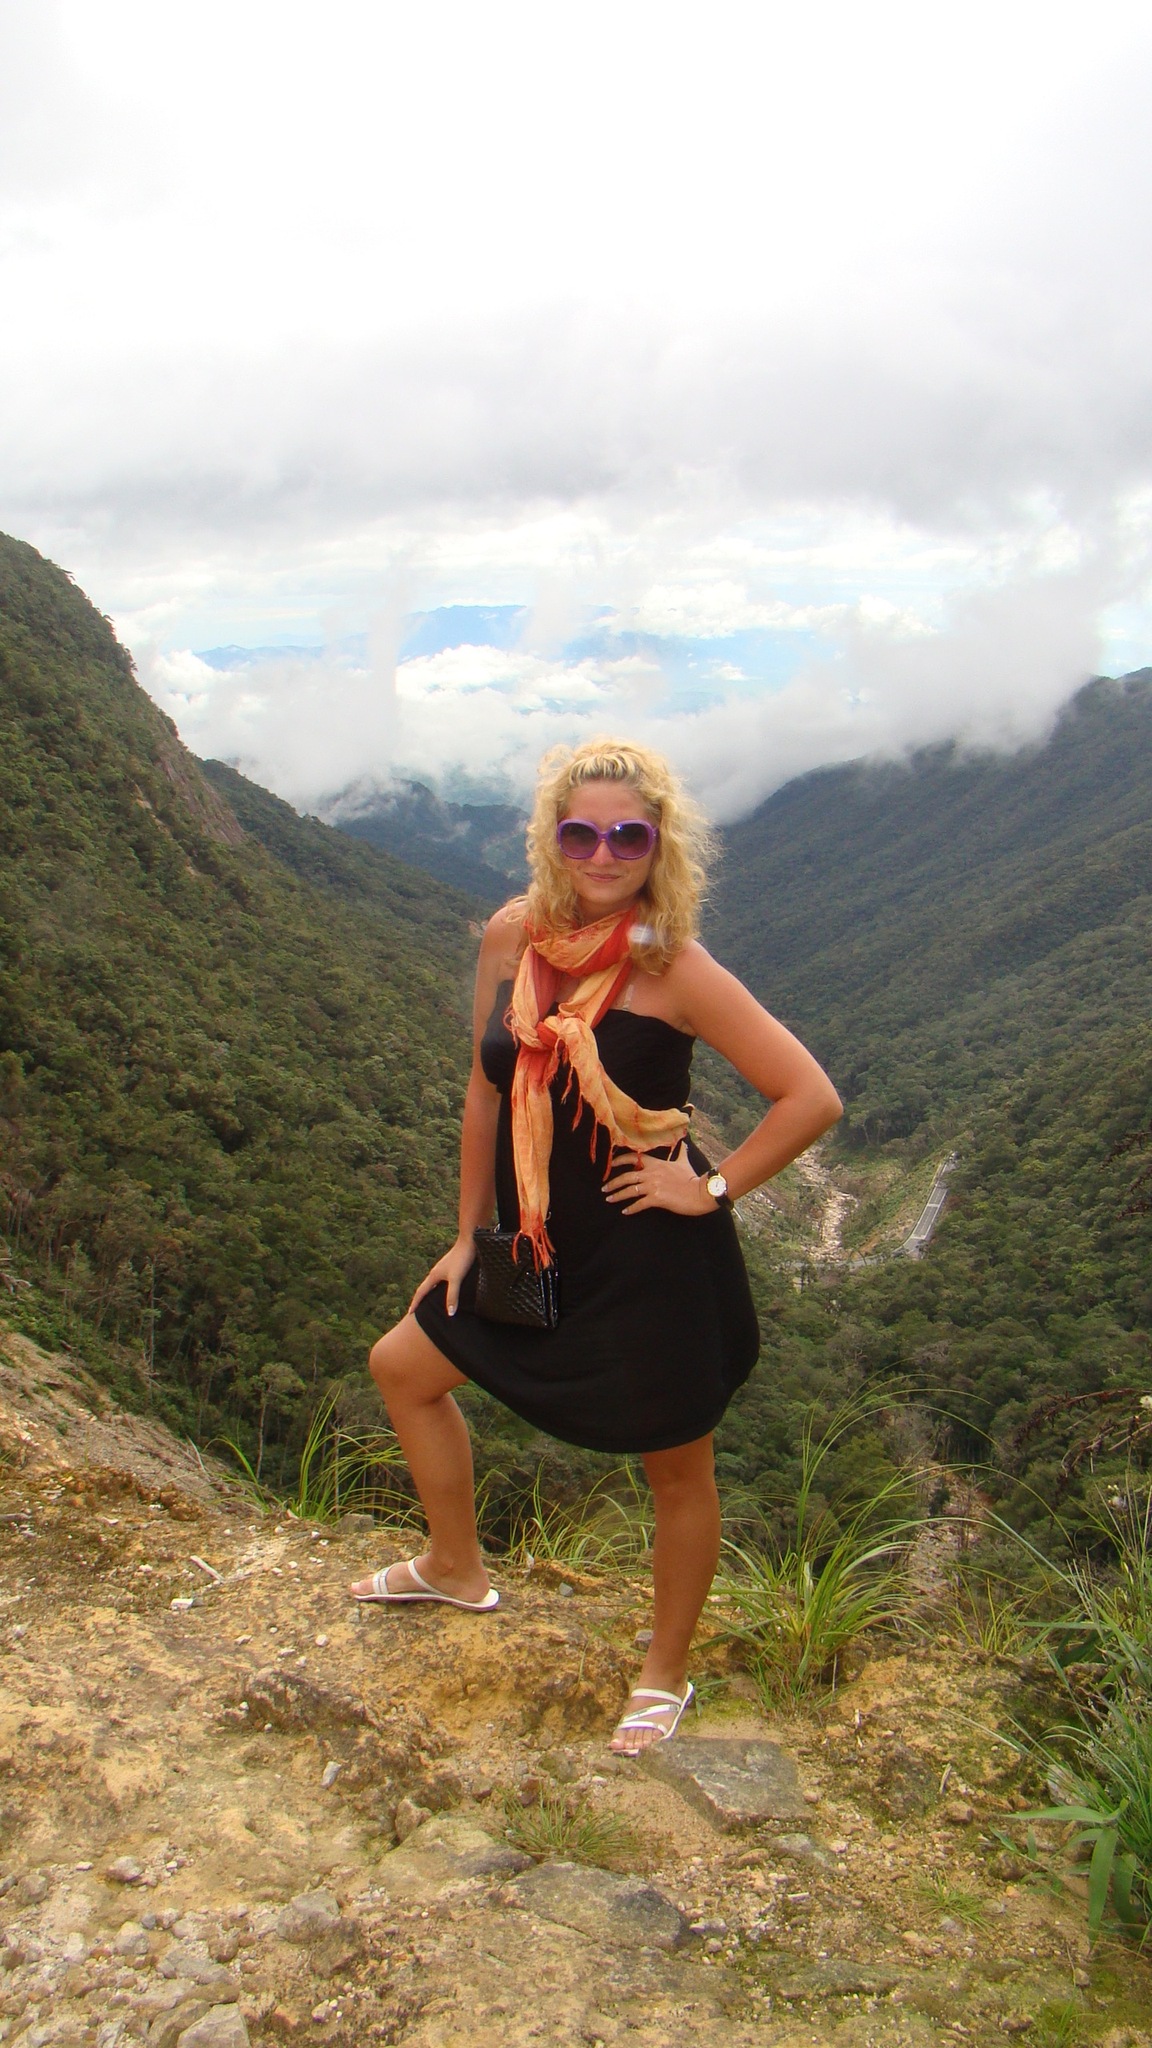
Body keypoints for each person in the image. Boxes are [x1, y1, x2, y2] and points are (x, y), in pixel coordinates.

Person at [351, 738, 842, 1753]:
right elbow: (487, 1086)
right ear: (552, 838)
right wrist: (468, 1232)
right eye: (581, 833)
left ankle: (665, 1671)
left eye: (628, 835)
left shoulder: (674, 965)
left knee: (676, 1466)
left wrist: (706, 1186)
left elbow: (810, 1097)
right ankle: (455, 1566)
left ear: (659, 843)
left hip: (649, 1252)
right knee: (404, 1365)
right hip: (535, 1235)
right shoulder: (512, 937)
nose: (604, 853)